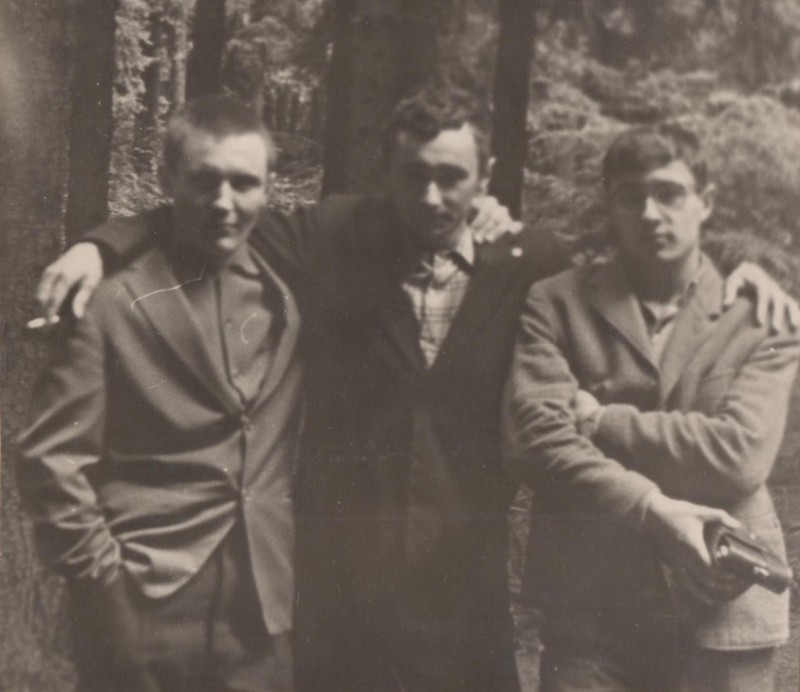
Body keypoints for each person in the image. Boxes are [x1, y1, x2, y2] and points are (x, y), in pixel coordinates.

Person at [32, 97, 798, 691]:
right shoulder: (333, 237)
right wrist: (100, 245)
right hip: (337, 588)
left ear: (484, 179)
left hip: (466, 590)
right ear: (386, 176)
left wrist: (741, 278)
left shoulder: (528, 261)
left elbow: (640, 257)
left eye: (453, 177)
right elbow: (211, 209)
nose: (432, 196)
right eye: (414, 176)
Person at [18, 97, 303, 691]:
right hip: (144, 598)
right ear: (168, 180)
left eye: (244, 183)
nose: (223, 202)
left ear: (270, 187)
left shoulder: (290, 290)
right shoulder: (108, 298)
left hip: (260, 610)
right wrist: (105, 590)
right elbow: (52, 460)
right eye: (203, 180)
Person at [504, 124, 800, 692]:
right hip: (591, 604)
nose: (649, 212)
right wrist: (651, 505)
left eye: (669, 193)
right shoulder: (557, 302)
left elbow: (740, 456)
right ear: (609, 205)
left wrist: (600, 420)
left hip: (721, 600)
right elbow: (535, 441)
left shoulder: (763, 317)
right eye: (630, 196)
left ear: (704, 202)